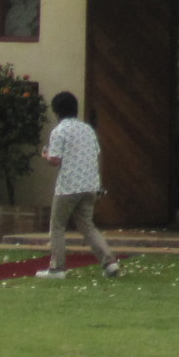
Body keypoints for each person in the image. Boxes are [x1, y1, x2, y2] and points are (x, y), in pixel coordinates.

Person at [37, 90, 120, 280]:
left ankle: (57, 268)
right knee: (87, 226)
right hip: (90, 185)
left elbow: (55, 160)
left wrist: (45, 155)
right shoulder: (87, 129)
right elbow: (95, 154)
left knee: (57, 226)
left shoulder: (59, 131)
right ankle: (109, 262)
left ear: (57, 111)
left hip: (68, 186)